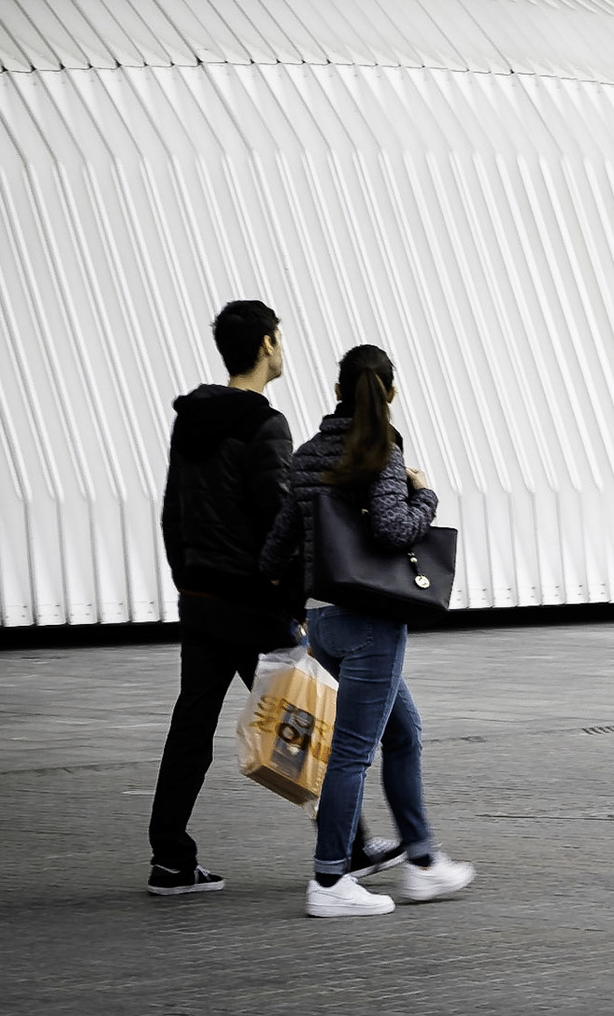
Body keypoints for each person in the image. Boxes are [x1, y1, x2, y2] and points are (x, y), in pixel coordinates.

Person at [149, 302, 402, 895]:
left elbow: (171, 514)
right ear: (266, 344)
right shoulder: (265, 423)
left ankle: (169, 858)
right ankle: (352, 846)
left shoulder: (190, 419)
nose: (282, 348)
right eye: (280, 338)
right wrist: (292, 603)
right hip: (254, 602)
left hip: (203, 598)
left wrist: (188, 579)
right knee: (310, 717)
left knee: (191, 726)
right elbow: (280, 521)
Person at [261, 343, 476, 918]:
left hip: (322, 620)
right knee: (352, 753)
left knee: (403, 733)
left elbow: (277, 545)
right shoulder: (380, 452)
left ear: (336, 392)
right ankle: (329, 882)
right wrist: (424, 492)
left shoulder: (307, 455)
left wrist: (292, 610)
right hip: (370, 622)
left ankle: (423, 862)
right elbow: (391, 529)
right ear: (390, 392)